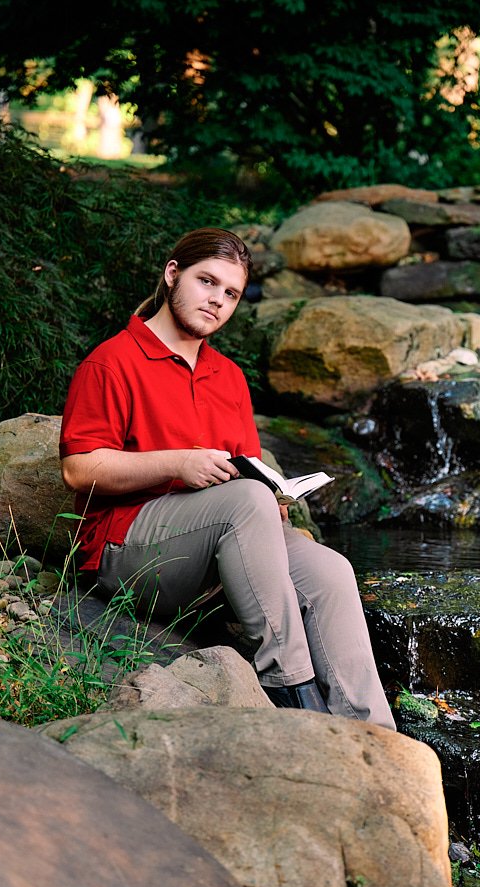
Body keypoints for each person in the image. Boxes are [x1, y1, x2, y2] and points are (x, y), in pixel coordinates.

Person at [59, 227, 396, 730]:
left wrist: (278, 505)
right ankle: (291, 691)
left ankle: (372, 734)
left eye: (231, 293)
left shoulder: (228, 377)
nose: (217, 301)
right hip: (128, 551)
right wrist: (179, 463)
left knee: (329, 571)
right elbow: (78, 469)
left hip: (220, 548)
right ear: (172, 274)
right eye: (206, 282)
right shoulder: (112, 362)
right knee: (243, 502)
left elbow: (249, 478)